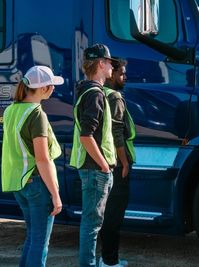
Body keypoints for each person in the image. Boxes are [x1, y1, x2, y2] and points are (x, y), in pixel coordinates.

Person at [1, 65, 64, 266]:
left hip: (19, 183)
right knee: (40, 242)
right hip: (37, 183)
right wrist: (55, 194)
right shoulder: (37, 114)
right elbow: (43, 159)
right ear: (43, 88)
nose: (54, 88)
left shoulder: (11, 110)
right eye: (51, 85)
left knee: (32, 238)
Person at [70, 43, 117, 267]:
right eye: (109, 62)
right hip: (96, 169)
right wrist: (104, 165)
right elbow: (86, 137)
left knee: (91, 223)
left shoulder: (85, 90)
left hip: (90, 168)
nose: (112, 66)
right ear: (100, 63)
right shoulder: (95, 94)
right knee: (92, 224)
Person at [99, 58, 135, 267]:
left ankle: (105, 258)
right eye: (121, 73)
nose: (124, 77)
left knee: (103, 213)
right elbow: (118, 133)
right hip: (117, 162)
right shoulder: (115, 97)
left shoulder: (97, 92)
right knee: (114, 215)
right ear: (111, 74)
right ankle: (110, 261)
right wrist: (125, 162)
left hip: (103, 159)